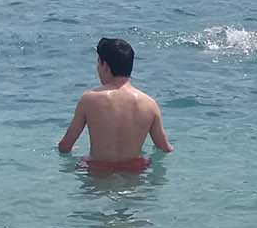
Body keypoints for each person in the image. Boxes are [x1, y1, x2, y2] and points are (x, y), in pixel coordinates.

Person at [58, 37, 172, 174]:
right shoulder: (150, 104)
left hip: (99, 174)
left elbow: (65, 147)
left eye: (98, 63)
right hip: (133, 174)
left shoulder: (89, 99)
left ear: (105, 66)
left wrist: (66, 148)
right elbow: (164, 148)